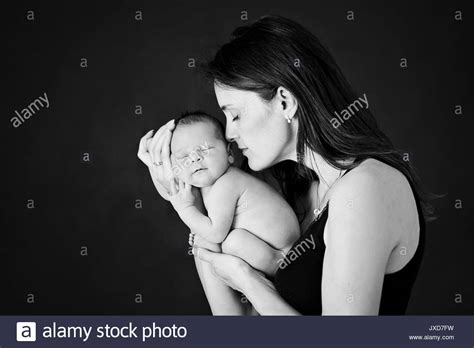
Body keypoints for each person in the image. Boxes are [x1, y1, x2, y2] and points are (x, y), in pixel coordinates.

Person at [137, 15, 430, 315]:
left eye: (236, 115)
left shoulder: (366, 189)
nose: (228, 133)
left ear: (285, 102)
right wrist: (191, 197)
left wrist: (250, 282)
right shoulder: (297, 191)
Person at [166, 111, 300, 276]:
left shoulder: (228, 183)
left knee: (231, 243)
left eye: (204, 149)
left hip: (285, 257)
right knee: (225, 244)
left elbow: (215, 234)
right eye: (184, 156)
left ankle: (276, 275)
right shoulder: (215, 185)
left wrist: (185, 208)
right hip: (277, 249)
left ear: (229, 153)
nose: (194, 158)